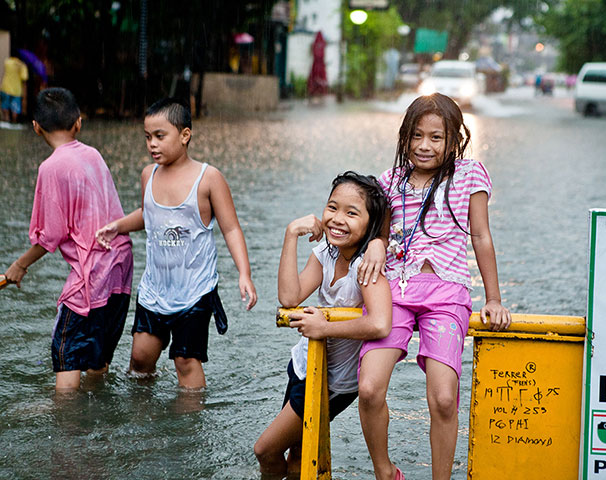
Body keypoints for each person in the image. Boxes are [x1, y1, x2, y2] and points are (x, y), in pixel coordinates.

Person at [357, 92, 512, 480]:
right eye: (416, 136)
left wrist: (493, 299)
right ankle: (384, 472)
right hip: (393, 294)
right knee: (370, 389)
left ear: (454, 139)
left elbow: (480, 236)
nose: (424, 146)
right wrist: (376, 241)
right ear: (404, 138)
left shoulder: (470, 174)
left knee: (444, 399)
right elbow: (377, 232)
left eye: (436, 137)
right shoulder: (389, 182)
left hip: (447, 296)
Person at [95, 98, 257, 389]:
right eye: (147, 137)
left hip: (195, 290)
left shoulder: (208, 178)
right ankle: (145, 425)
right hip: (155, 289)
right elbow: (149, 214)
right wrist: (118, 226)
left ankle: (188, 427)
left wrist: (244, 273)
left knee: (185, 361)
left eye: (160, 136)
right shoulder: (149, 174)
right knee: (140, 361)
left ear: (185, 135)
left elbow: (231, 228)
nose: (152, 144)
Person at [254, 172, 392, 477]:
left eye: (351, 213)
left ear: (371, 224)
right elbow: (289, 296)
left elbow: (381, 323)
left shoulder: (365, 268)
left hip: (333, 383)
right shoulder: (327, 253)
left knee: (265, 450)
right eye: (332, 208)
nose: (337, 219)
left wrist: (325, 328)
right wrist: (291, 234)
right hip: (304, 366)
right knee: (298, 460)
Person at [3, 87, 133, 390]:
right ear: (78, 122)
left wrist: (19, 266)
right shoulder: (93, 154)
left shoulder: (50, 167)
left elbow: (50, 235)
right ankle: (97, 415)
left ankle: (66, 424)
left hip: (91, 274)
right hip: (121, 265)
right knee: (97, 356)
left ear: (36, 127)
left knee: (67, 355)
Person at [1, 54, 29, 125]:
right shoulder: (22, 66)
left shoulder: (7, 62)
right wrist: (24, 95)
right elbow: (24, 80)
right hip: (16, 90)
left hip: (5, 88)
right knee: (15, 108)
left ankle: (6, 120)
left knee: (5, 105)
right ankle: (14, 122)